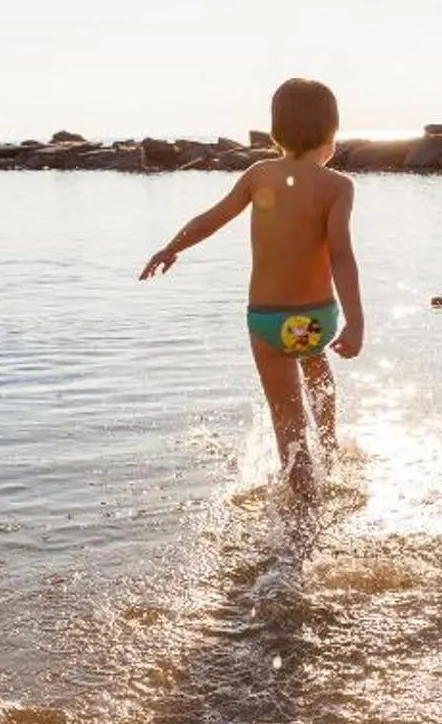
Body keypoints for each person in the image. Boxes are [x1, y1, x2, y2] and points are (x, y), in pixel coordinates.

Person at [141, 77, 364, 486]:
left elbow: (214, 216)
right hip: (315, 318)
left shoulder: (259, 174)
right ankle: (331, 449)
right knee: (316, 365)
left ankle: (297, 514)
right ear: (331, 135)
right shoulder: (338, 186)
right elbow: (341, 256)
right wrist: (356, 321)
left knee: (288, 428)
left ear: (276, 132)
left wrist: (171, 248)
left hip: (265, 321)